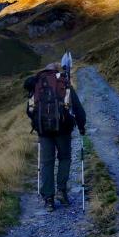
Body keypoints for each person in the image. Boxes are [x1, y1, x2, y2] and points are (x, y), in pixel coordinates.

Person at [25, 62, 87, 212]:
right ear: (56, 72)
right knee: (64, 158)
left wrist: (38, 123)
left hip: (44, 132)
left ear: (44, 72)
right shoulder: (64, 85)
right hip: (63, 130)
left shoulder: (37, 86)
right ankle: (61, 191)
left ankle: (49, 199)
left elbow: (29, 110)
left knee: (47, 163)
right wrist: (81, 126)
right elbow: (78, 109)